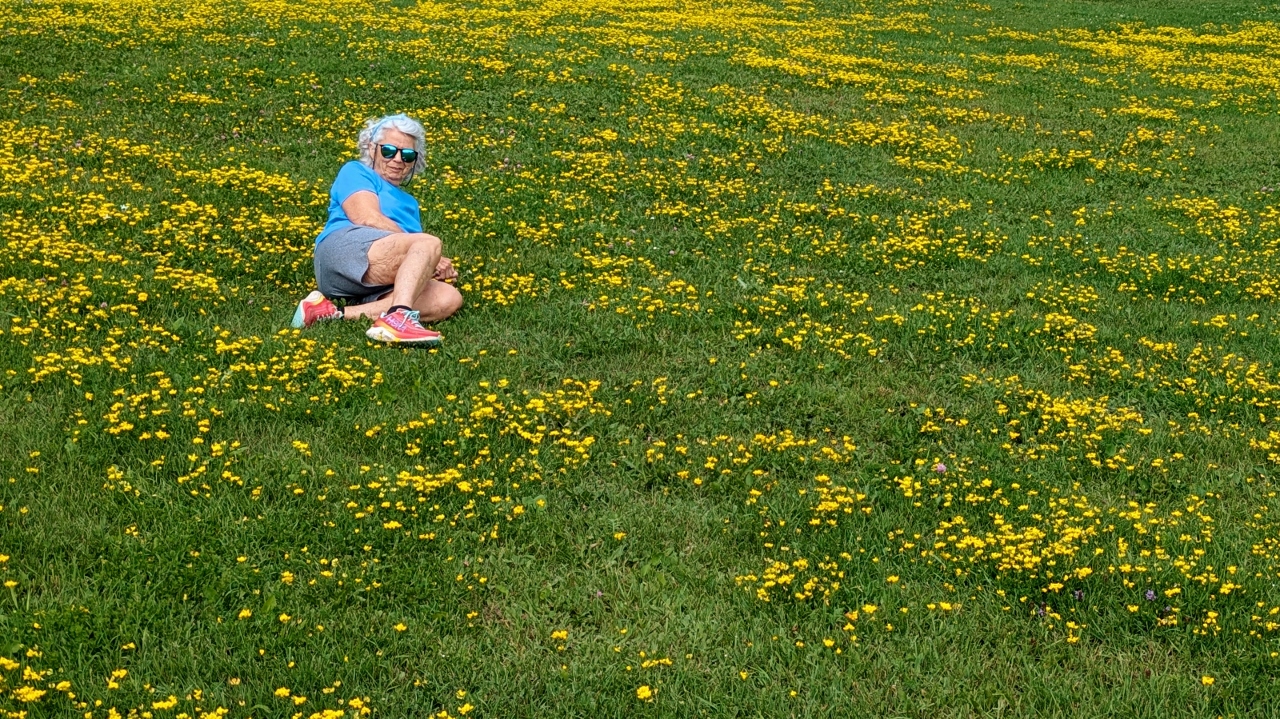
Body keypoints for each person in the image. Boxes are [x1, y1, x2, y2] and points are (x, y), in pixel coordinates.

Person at [292, 113, 462, 344]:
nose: (398, 159)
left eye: (408, 155)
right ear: (372, 149)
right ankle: (399, 319)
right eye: (389, 150)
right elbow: (366, 217)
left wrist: (428, 264)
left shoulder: (410, 204)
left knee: (448, 297)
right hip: (343, 249)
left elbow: (407, 253)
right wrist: (430, 252)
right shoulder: (356, 172)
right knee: (429, 243)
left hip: (373, 277)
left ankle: (329, 313)